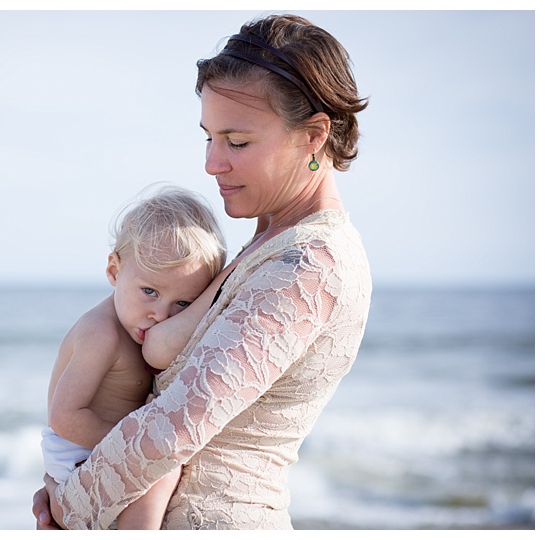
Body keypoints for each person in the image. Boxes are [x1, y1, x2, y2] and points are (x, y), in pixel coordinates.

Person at [33, 13, 372, 529]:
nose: (213, 163)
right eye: (208, 137)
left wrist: (68, 506)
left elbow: (174, 429)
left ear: (314, 136)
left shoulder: (309, 264)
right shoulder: (267, 245)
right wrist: (68, 483)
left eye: (237, 142)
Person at [41, 186, 227, 529]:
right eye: (150, 292)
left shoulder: (136, 323)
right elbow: (64, 417)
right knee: (161, 474)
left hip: (96, 447)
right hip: (76, 452)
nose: (162, 314)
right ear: (114, 271)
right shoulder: (102, 333)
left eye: (183, 304)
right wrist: (136, 445)